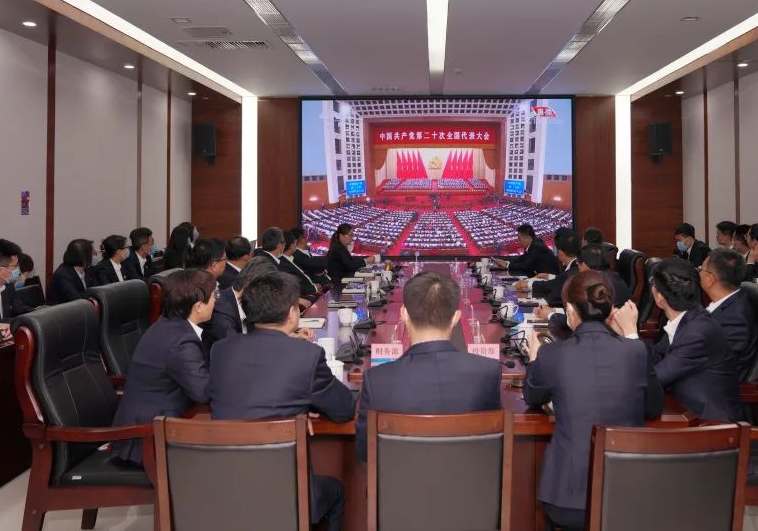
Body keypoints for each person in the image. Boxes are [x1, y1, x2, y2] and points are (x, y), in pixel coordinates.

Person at [208, 272, 353, 531]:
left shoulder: (221, 350)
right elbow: (344, 410)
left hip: (224, 488)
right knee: (337, 490)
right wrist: (305, 404)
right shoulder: (306, 355)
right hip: (287, 495)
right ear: (292, 314)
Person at [524, 270, 663, 531]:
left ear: (569, 310)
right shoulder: (635, 350)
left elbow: (533, 397)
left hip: (567, 499)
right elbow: (654, 408)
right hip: (625, 494)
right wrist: (632, 336)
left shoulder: (552, 354)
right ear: (610, 308)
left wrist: (534, 361)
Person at [356, 272, 501, 459]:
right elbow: (493, 447)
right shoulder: (488, 372)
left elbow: (364, 452)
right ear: (456, 318)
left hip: (401, 478)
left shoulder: (377, 380)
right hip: (472, 477)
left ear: (403, 314)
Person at [111, 269, 213, 465]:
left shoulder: (166, 324)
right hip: (147, 441)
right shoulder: (181, 341)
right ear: (198, 306)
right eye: (214, 296)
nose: (217, 300)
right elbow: (202, 392)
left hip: (153, 425)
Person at [646, 258, 741, 422]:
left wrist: (630, 334)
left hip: (710, 425)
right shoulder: (687, 317)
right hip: (684, 411)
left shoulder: (697, 332)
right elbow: (655, 356)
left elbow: (654, 378)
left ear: (660, 298)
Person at [201, 256, 278, 357]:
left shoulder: (246, 305)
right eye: (266, 294)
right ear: (250, 287)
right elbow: (236, 351)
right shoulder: (220, 312)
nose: (268, 301)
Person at [699, 249, 758, 380]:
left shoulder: (735, 319)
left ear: (710, 279)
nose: (699, 274)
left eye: (701, 270)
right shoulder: (727, 302)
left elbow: (713, 365)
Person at [516, 229, 579, 307]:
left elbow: (556, 290)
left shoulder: (571, 272)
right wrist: (549, 276)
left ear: (560, 253)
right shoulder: (574, 265)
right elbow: (560, 281)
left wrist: (528, 284)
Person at [493, 224, 560, 276]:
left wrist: (507, 265)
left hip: (549, 281)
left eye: (519, 239)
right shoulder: (534, 243)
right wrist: (503, 259)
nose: (518, 241)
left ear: (527, 238)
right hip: (540, 276)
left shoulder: (537, 247)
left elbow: (526, 265)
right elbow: (522, 258)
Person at [48, 239, 95, 305]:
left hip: (83, 308)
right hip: (64, 310)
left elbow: (95, 291)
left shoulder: (87, 270)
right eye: (92, 255)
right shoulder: (62, 275)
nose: (95, 256)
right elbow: (76, 300)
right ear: (85, 258)